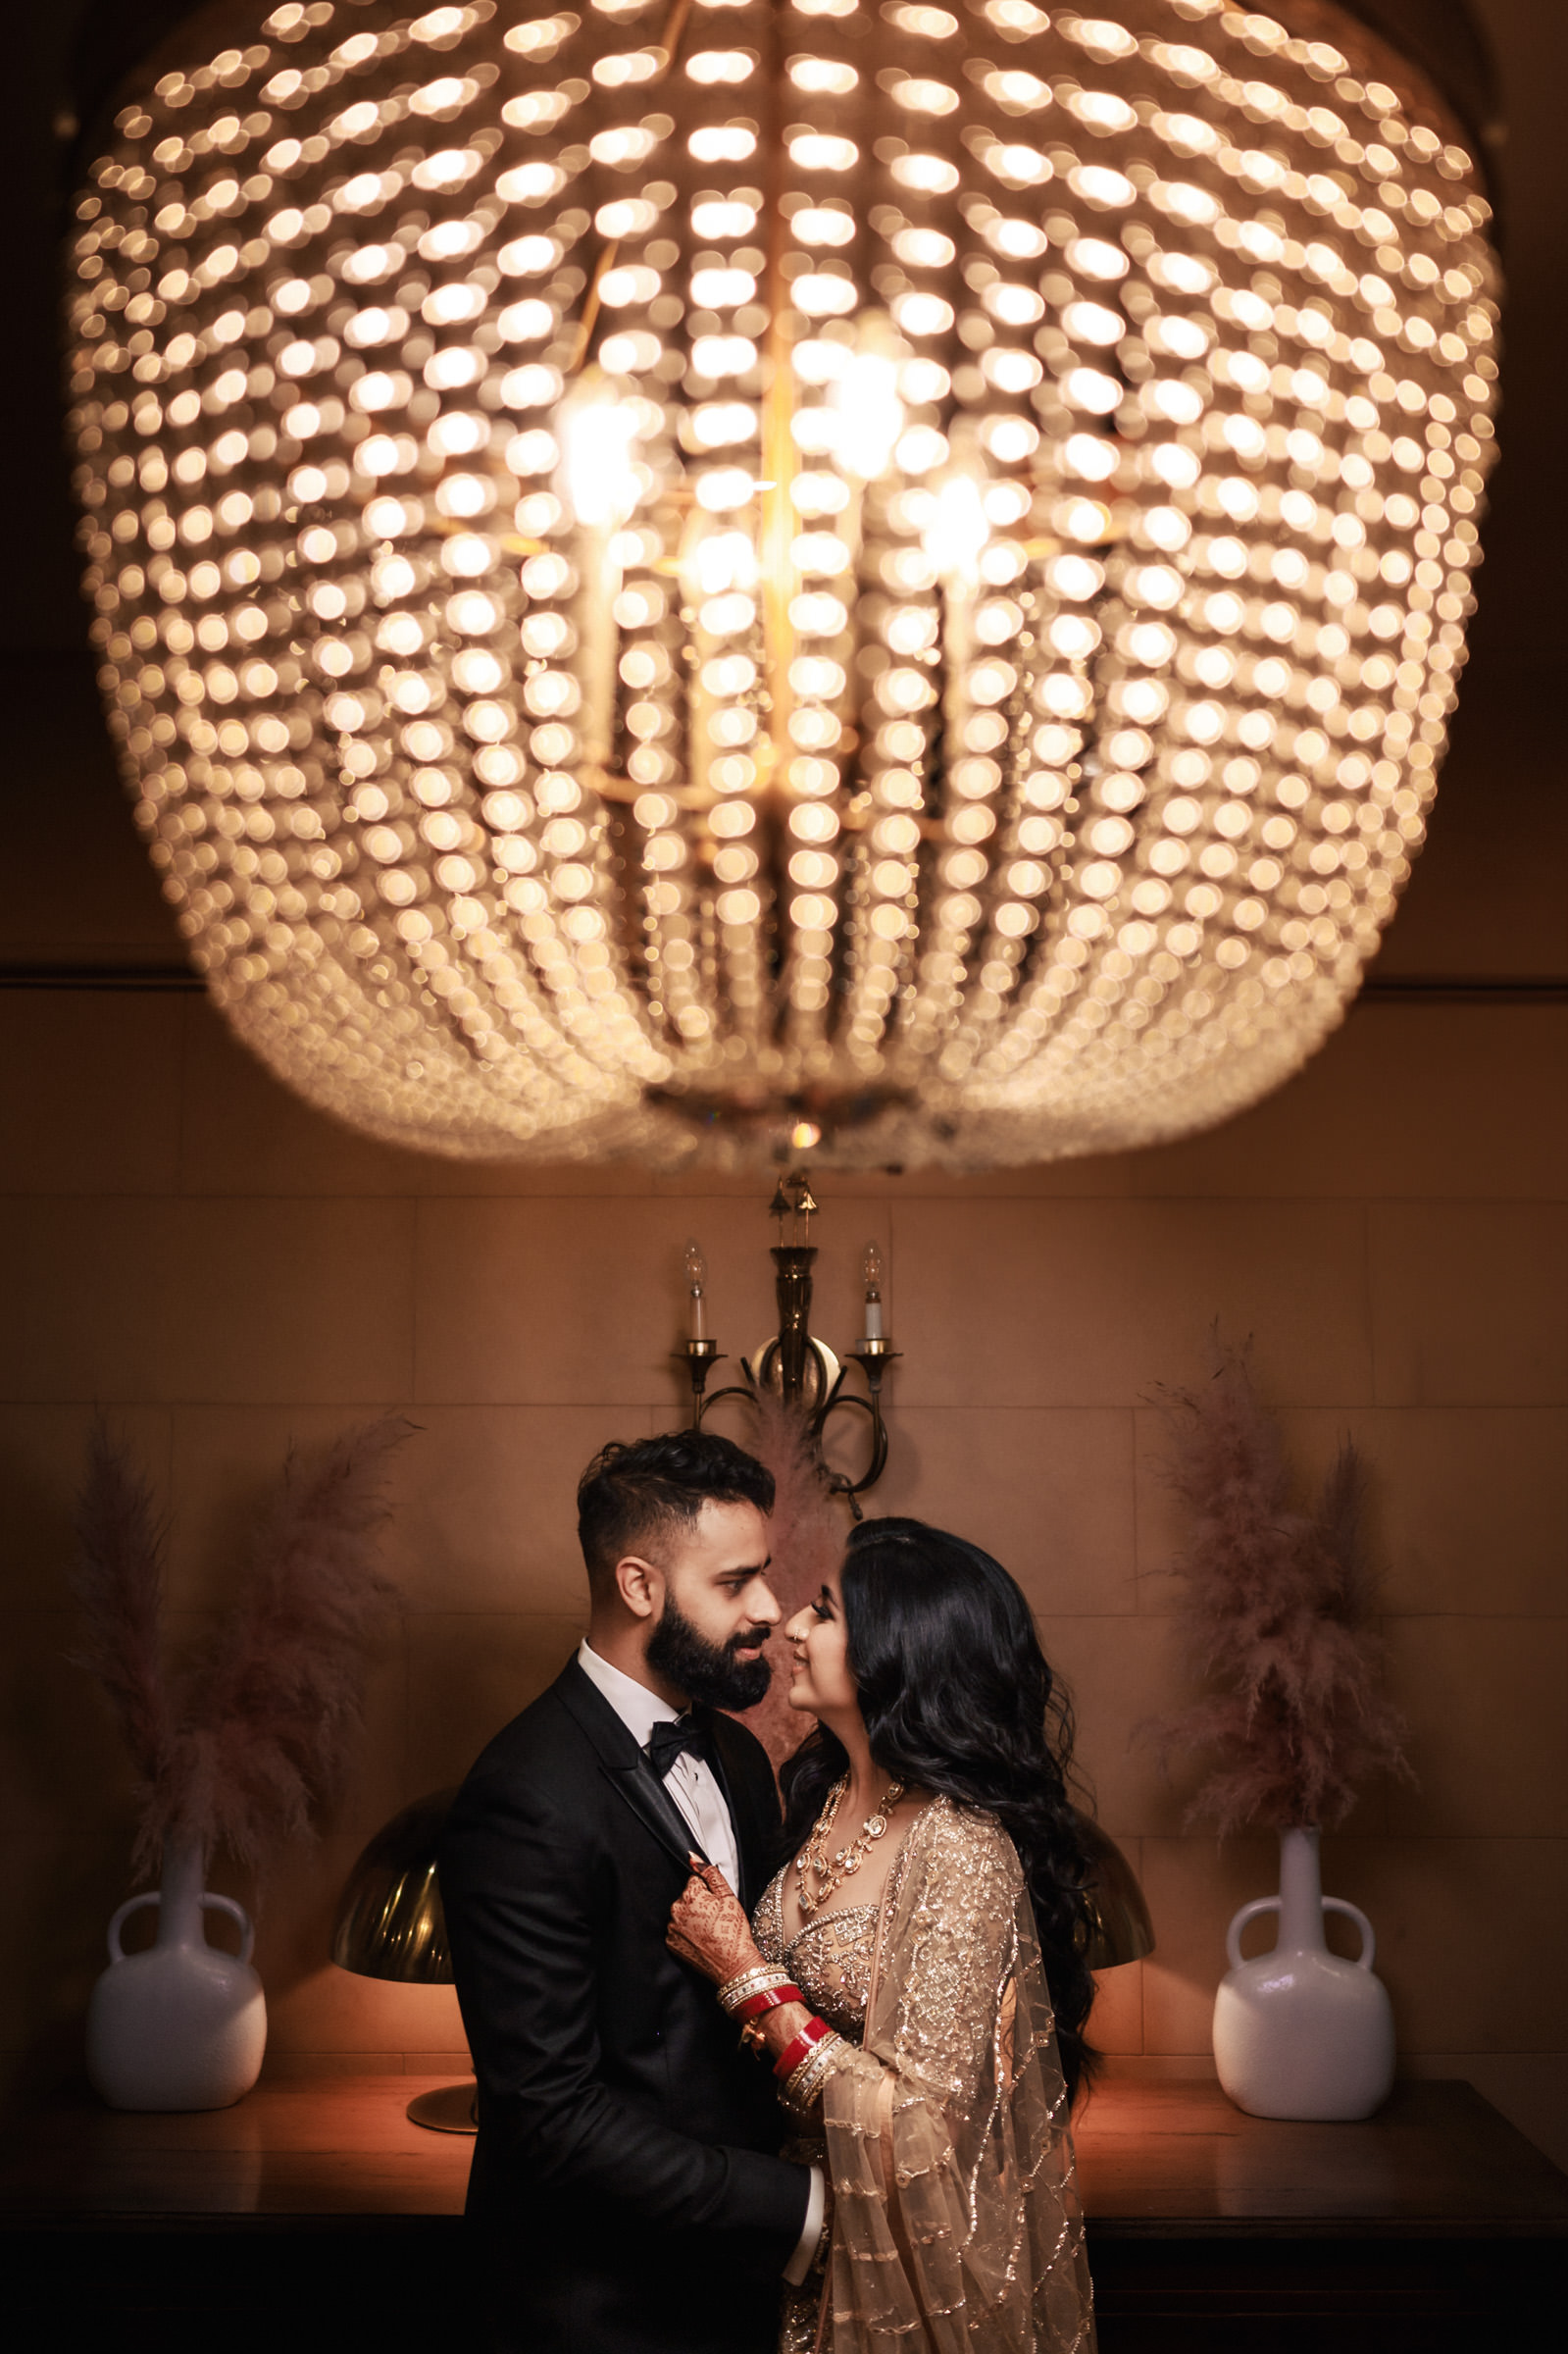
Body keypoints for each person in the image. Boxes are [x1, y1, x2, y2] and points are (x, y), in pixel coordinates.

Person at [667, 1516, 1099, 2354]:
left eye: (824, 1611)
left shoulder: (961, 1845)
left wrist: (749, 1979)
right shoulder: (819, 1797)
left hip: (900, 2279)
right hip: (782, 2249)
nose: (790, 1625)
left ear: (896, 1649)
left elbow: (923, 2133)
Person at [440, 1431, 824, 2354]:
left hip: (739, 2286)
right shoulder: (521, 1794)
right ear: (639, 1587)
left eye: (762, 1575)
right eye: (734, 1584)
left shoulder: (733, 1750)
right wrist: (804, 2209)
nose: (770, 1608)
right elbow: (548, 2114)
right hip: (598, 2303)